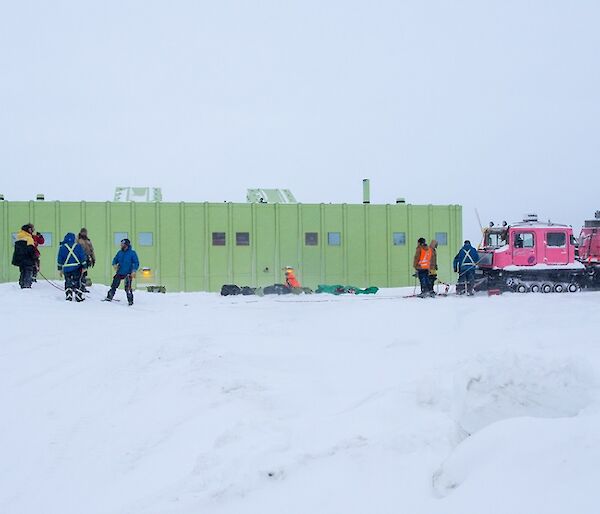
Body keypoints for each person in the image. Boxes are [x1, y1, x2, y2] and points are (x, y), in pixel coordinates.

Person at [106, 238, 139, 305]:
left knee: (128, 288)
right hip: (120, 272)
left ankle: (130, 301)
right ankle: (109, 297)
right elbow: (115, 259)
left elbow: (136, 263)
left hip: (128, 273)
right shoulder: (120, 252)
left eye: (122, 244)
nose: (121, 245)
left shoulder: (132, 253)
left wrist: (134, 271)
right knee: (114, 285)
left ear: (126, 245)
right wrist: (114, 264)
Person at [57, 232, 88, 302]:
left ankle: (69, 294)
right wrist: (84, 266)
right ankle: (78, 295)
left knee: (68, 281)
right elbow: (82, 257)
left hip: (66, 268)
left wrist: (60, 268)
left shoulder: (62, 247)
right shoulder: (78, 246)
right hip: (76, 267)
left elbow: (59, 258)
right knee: (77, 281)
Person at [12, 224, 37, 288]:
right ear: (29, 229)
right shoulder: (29, 239)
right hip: (28, 259)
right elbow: (31, 250)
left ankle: (22, 283)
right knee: (28, 271)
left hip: (20, 260)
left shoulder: (19, 237)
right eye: (32, 229)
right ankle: (27, 285)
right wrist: (35, 258)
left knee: (23, 271)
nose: (33, 231)